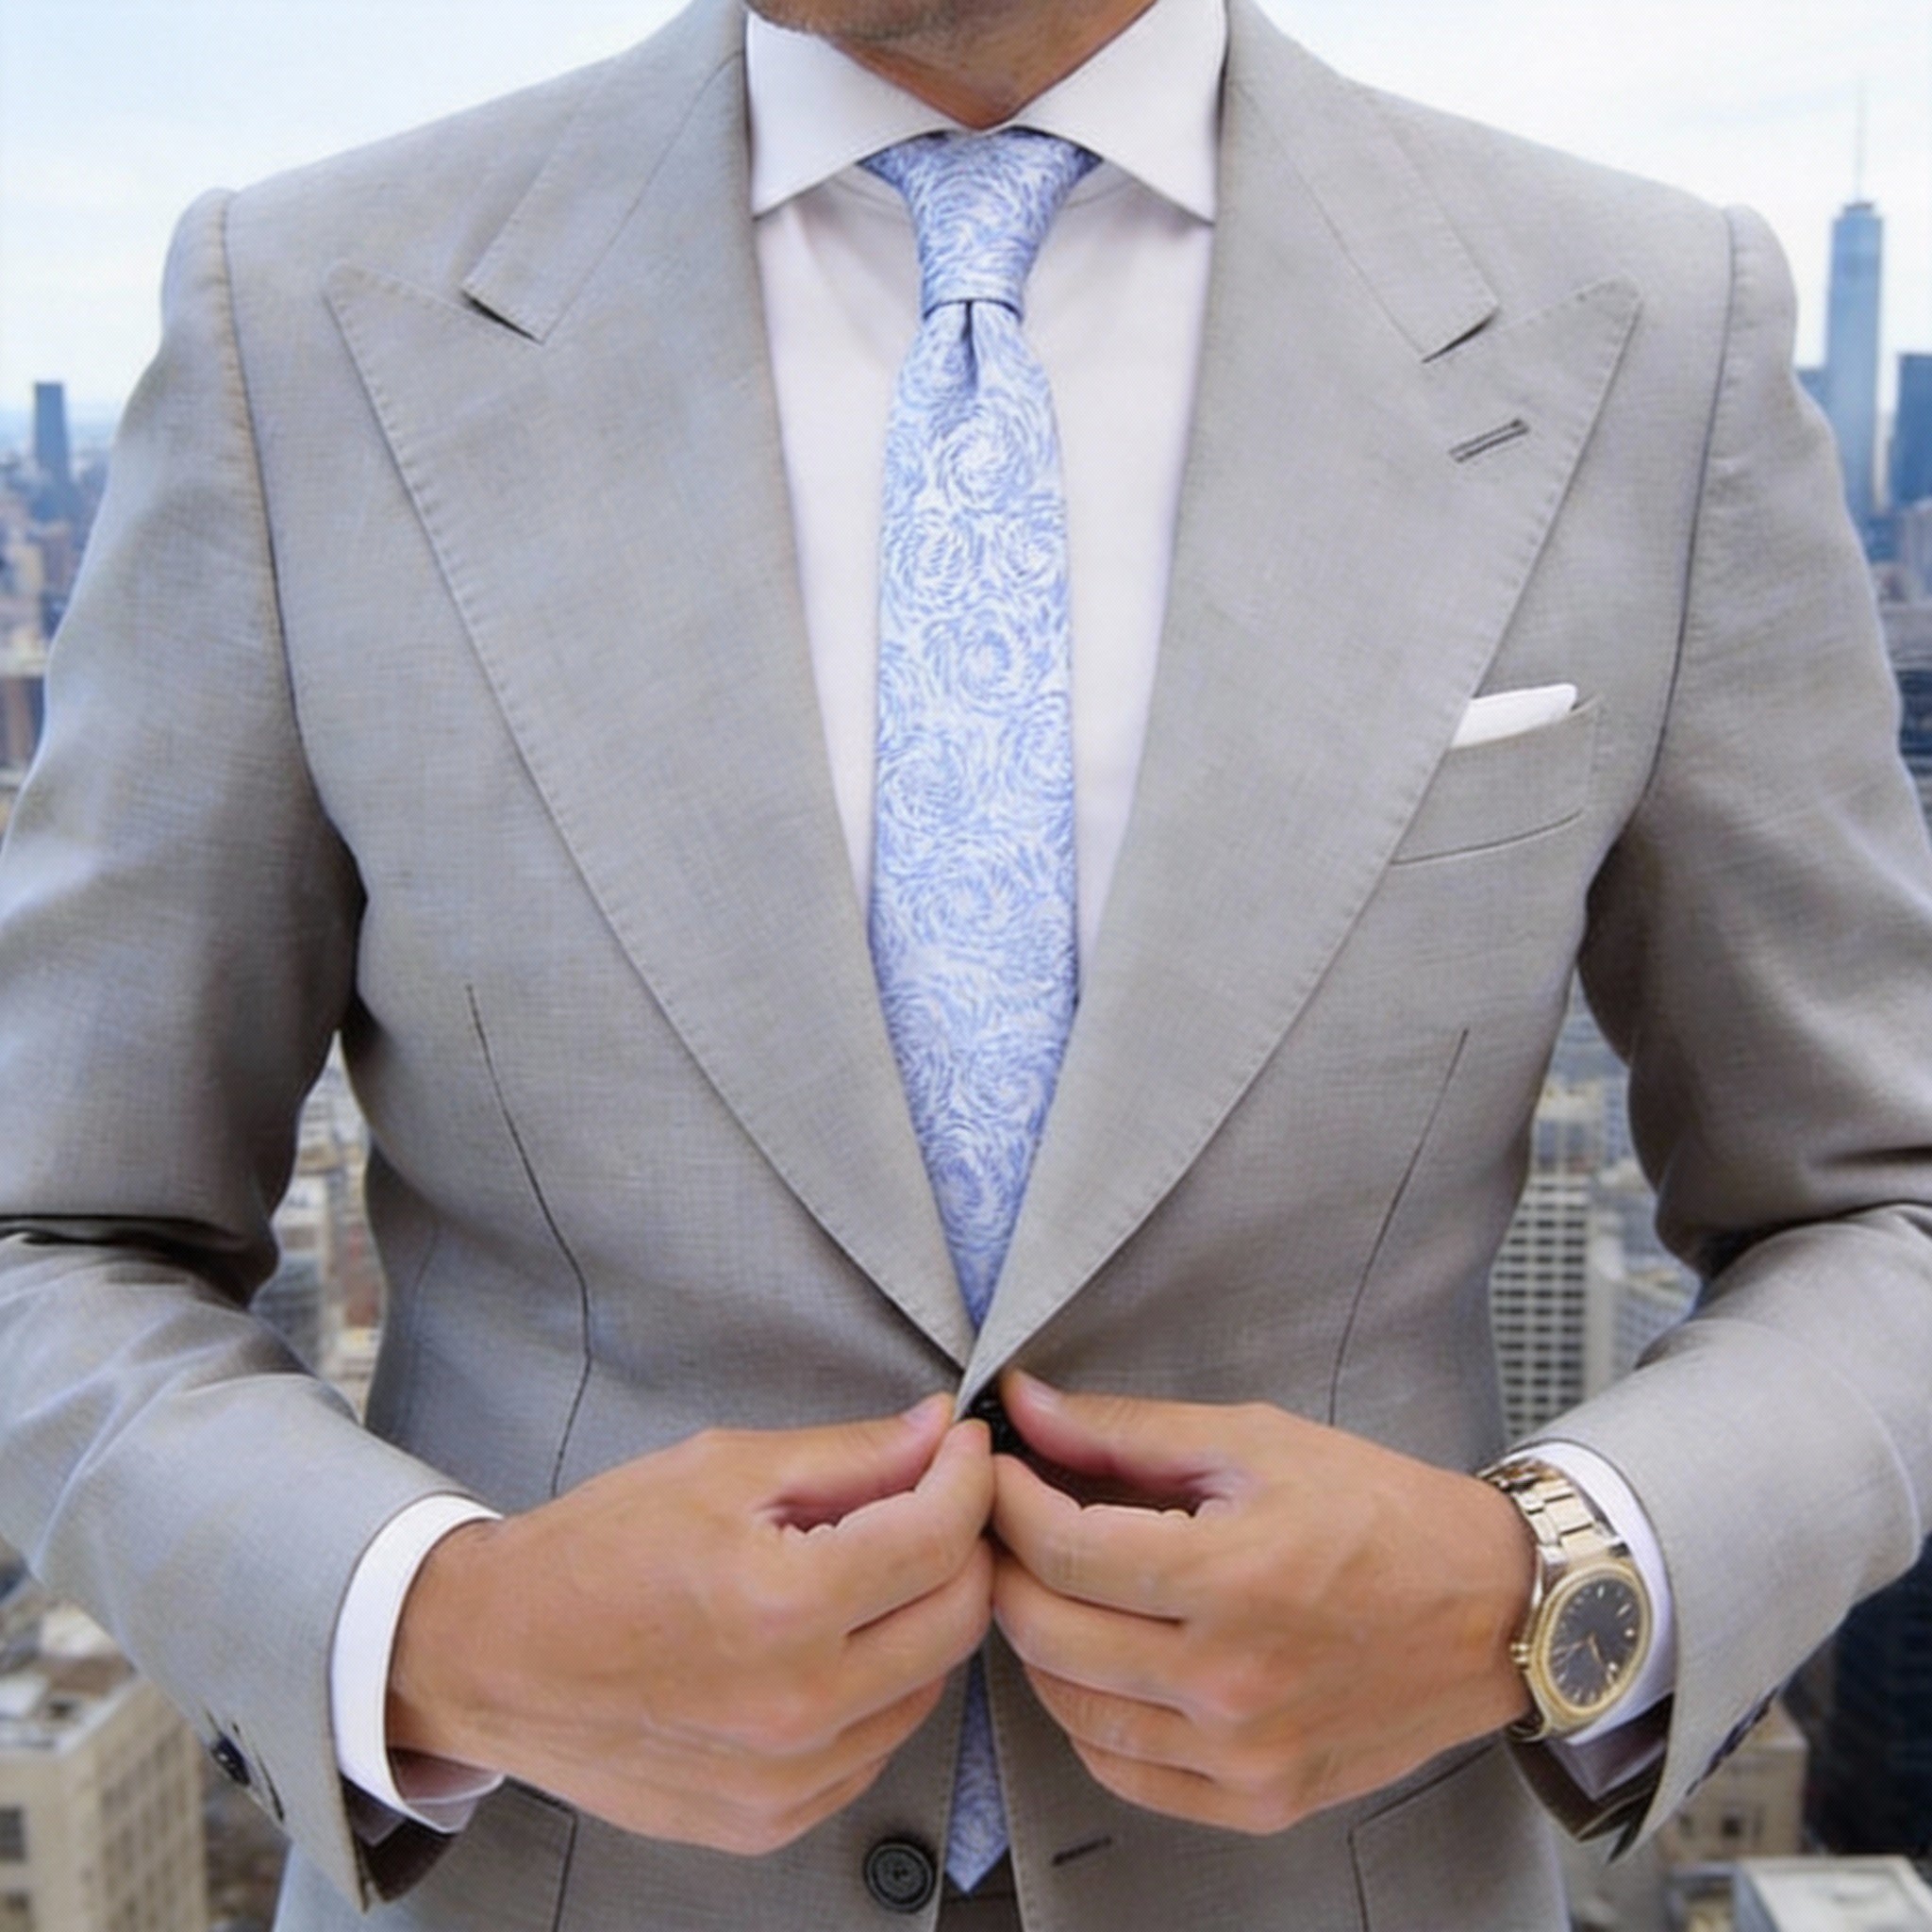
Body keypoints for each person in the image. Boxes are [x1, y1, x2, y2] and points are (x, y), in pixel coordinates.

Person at [1, 0, 1930, 1923]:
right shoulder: (304, 318)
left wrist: (1544, 1588)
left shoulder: (1645, 329)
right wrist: (448, 1631)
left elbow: (1881, 1203)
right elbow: (55, 1235)